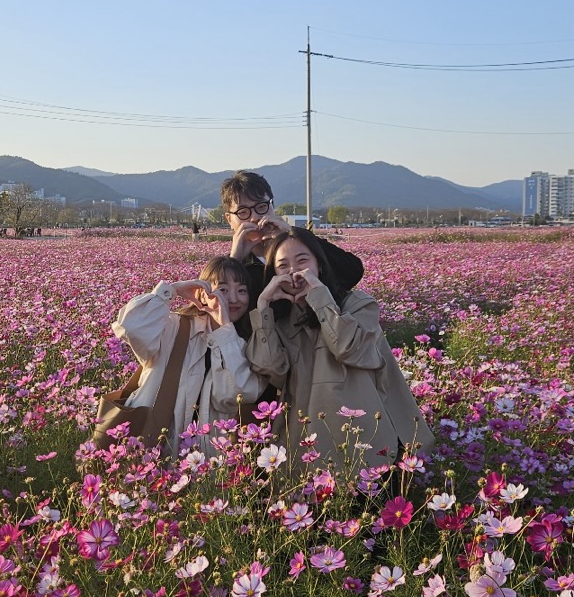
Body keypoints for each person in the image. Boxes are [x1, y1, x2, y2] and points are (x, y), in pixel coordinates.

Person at [246, 228, 433, 472]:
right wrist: (262, 309)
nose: (293, 271)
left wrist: (320, 297)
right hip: (307, 446)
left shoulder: (357, 304)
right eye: (282, 266)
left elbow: (348, 348)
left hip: (366, 441)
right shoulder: (281, 322)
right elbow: (271, 369)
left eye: (303, 261)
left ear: (319, 266)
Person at [111, 256, 265, 457]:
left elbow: (239, 393)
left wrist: (226, 330)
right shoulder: (174, 327)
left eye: (242, 290)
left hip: (208, 457)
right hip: (154, 448)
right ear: (204, 293)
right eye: (223, 289)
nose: (234, 299)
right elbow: (130, 327)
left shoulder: (247, 343)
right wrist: (171, 290)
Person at [220, 170, 364, 306]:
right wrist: (234, 263)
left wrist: (294, 234)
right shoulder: (234, 262)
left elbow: (352, 272)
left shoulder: (302, 244)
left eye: (261, 206)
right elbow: (217, 310)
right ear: (229, 219)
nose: (255, 217)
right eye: (243, 212)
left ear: (272, 206)